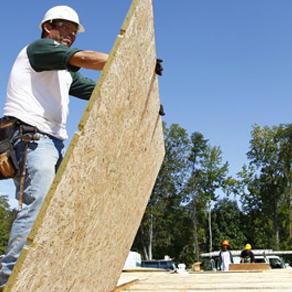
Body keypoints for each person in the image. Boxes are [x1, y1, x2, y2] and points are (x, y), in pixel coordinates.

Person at [0, 6, 109, 290]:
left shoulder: (63, 73)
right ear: (48, 27)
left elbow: (98, 89)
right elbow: (84, 59)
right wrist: (130, 60)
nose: (71, 34)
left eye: (74, 30)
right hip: (31, 137)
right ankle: (9, 280)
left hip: (56, 141)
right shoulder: (39, 49)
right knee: (38, 205)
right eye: (65, 27)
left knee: (63, 211)